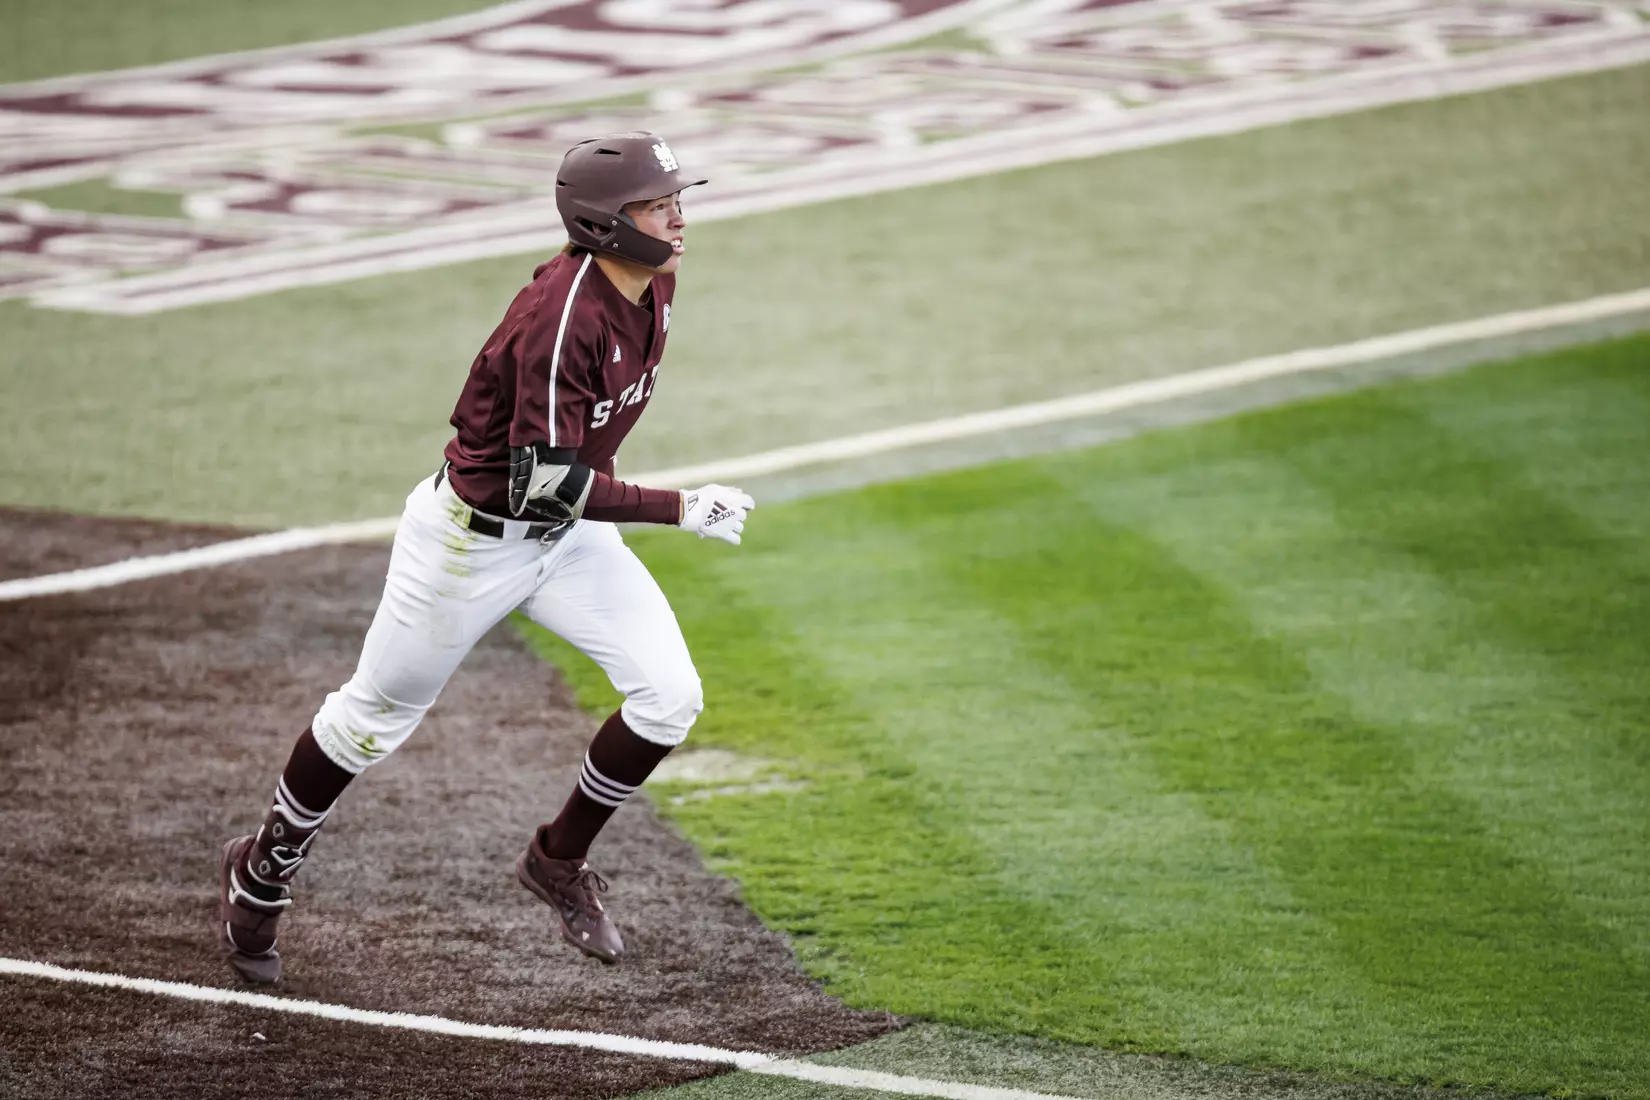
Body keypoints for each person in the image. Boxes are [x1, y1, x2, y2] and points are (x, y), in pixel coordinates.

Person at [217, 132, 753, 983]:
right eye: (659, 203)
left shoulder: (656, 283)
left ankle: (555, 861)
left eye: (677, 198)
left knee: (670, 698)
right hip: (470, 550)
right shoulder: (562, 316)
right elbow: (544, 481)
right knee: (370, 720)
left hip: (570, 540)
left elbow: (572, 476)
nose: (679, 216)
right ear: (605, 222)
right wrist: (681, 508)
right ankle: (263, 867)